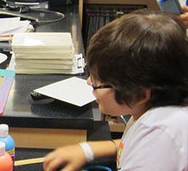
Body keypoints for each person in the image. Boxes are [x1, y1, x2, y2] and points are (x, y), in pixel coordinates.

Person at [42, 10, 188, 171]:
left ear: (139, 94)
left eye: (99, 82)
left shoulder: (159, 133)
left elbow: (149, 146)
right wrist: (88, 150)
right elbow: (135, 144)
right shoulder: (159, 110)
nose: (89, 83)